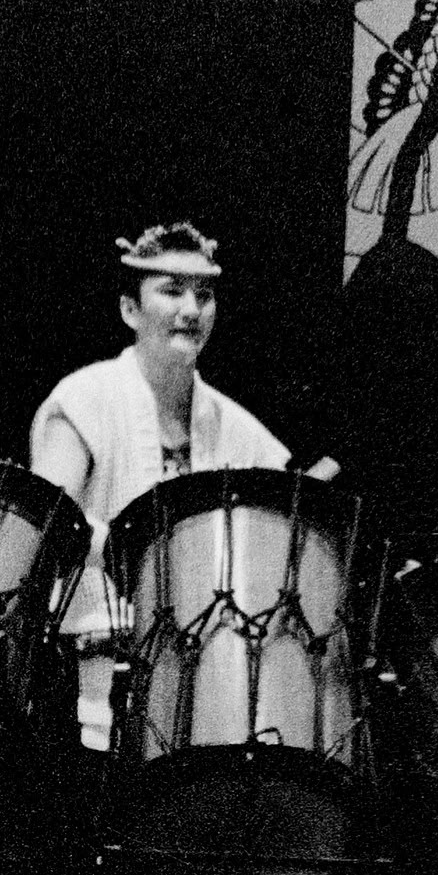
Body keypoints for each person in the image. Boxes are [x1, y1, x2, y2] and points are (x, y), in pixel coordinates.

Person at [28, 223, 294, 763]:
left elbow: (286, 529)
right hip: (88, 678)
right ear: (130, 309)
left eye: (204, 294)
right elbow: (48, 526)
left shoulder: (237, 428)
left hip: (207, 688)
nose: (191, 309)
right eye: (171, 291)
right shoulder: (83, 400)